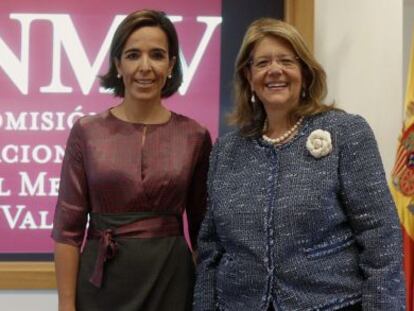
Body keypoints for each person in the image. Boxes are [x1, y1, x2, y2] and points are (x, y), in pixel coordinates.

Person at [193, 18, 405, 311]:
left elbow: (380, 235)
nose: (275, 70)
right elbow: (210, 249)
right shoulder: (226, 150)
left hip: (333, 304)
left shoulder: (346, 132)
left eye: (286, 61)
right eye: (263, 62)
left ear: (305, 71)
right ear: (248, 76)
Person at [52, 9, 211, 311]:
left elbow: (205, 233)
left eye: (157, 55)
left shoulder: (195, 135)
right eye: (133, 54)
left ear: (171, 64)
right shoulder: (87, 131)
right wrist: (66, 304)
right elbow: (67, 231)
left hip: (172, 282)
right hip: (100, 284)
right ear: (118, 64)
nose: (145, 67)